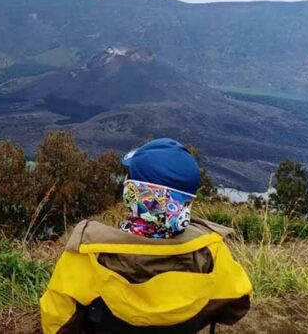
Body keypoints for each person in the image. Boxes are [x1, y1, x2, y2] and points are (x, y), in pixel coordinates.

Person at [40, 138, 252, 334]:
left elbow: (57, 320)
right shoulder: (211, 251)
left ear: (135, 192)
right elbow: (237, 303)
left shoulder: (88, 255)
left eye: (129, 177)